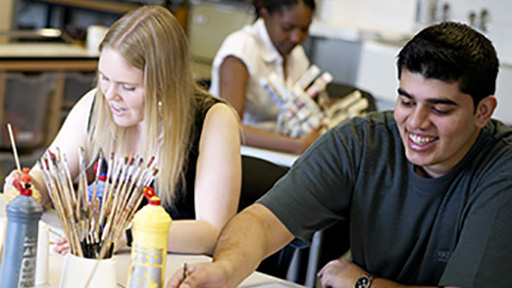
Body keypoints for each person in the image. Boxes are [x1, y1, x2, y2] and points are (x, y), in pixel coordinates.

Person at [167, 22, 512, 288]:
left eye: (439, 109)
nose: (416, 122)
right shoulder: (363, 142)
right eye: (406, 102)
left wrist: (364, 283)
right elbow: (261, 221)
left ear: (483, 111)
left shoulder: (502, 167)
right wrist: (223, 272)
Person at [3, 5, 241, 255]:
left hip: (170, 270)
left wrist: (127, 236)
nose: (110, 95)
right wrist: (30, 189)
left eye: (128, 87)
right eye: (105, 78)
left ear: (165, 85)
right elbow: (46, 178)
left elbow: (213, 233)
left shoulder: (213, 120)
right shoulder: (96, 104)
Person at [209, 0, 320, 154]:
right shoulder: (241, 49)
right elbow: (229, 127)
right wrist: (297, 145)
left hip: (279, 149)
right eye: (287, 28)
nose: (296, 37)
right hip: (237, 152)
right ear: (265, 15)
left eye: (304, 29)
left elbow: (302, 106)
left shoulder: (296, 54)